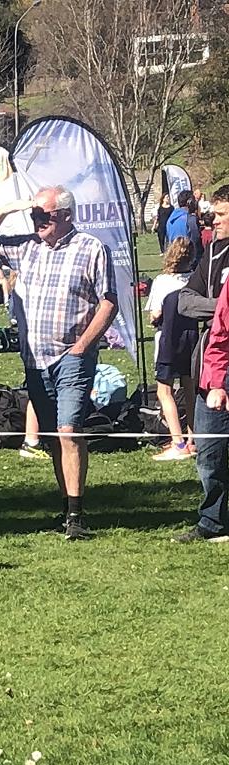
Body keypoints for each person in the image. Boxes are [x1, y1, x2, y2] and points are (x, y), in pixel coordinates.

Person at [0, 186, 118, 541]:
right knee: (53, 436)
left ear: (66, 215)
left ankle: (76, 514)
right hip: (35, 359)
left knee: (69, 431)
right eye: (34, 215)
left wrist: (82, 347)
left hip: (72, 357)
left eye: (44, 216)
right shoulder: (27, 247)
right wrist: (7, 209)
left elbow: (108, 303)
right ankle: (66, 506)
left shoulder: (91, 248)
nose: (37, 221)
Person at [174, 185, 229, 541]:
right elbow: (184, 300)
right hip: (213, 361)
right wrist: (222, 308)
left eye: (222, 214)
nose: (213, 220)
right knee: (208, 449)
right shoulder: (212, 252)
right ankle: (213, 522)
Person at [147, 238, 197, 461]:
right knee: (190, 391)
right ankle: (194, 440)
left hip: (168, 341)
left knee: (164, 392)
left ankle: (178, 443)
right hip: (192, 340)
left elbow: (154, 314)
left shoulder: (162, 281)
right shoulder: (196, 279)